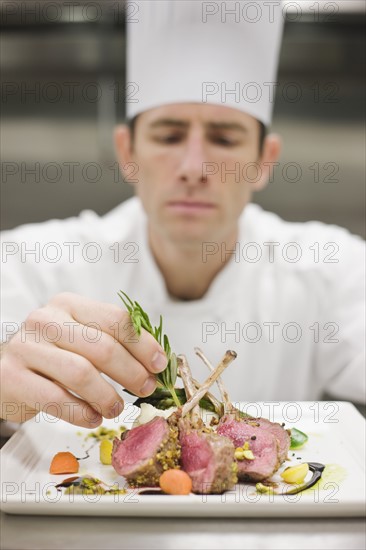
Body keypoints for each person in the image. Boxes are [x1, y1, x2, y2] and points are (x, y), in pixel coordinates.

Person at [1, 1, 365, 430]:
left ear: (264, 161)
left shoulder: (333, 268)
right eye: (169, 135)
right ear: (127, 152)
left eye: (225, 138)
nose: (194, 166)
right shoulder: (28, 264)